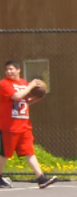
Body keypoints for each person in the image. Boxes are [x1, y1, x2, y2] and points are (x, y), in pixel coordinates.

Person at [0, 61, 57, 189]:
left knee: (29, 152)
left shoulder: (23, 83)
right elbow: (16, 96)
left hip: (24, 125)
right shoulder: (4, 84)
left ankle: (41, 178)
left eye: (11, 69)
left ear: (18, 70)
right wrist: (30, 86)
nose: (9, 72)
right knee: (5, 153)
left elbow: (23, 101)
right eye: (7, 69)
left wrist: (36, 98)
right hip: (9, 126)